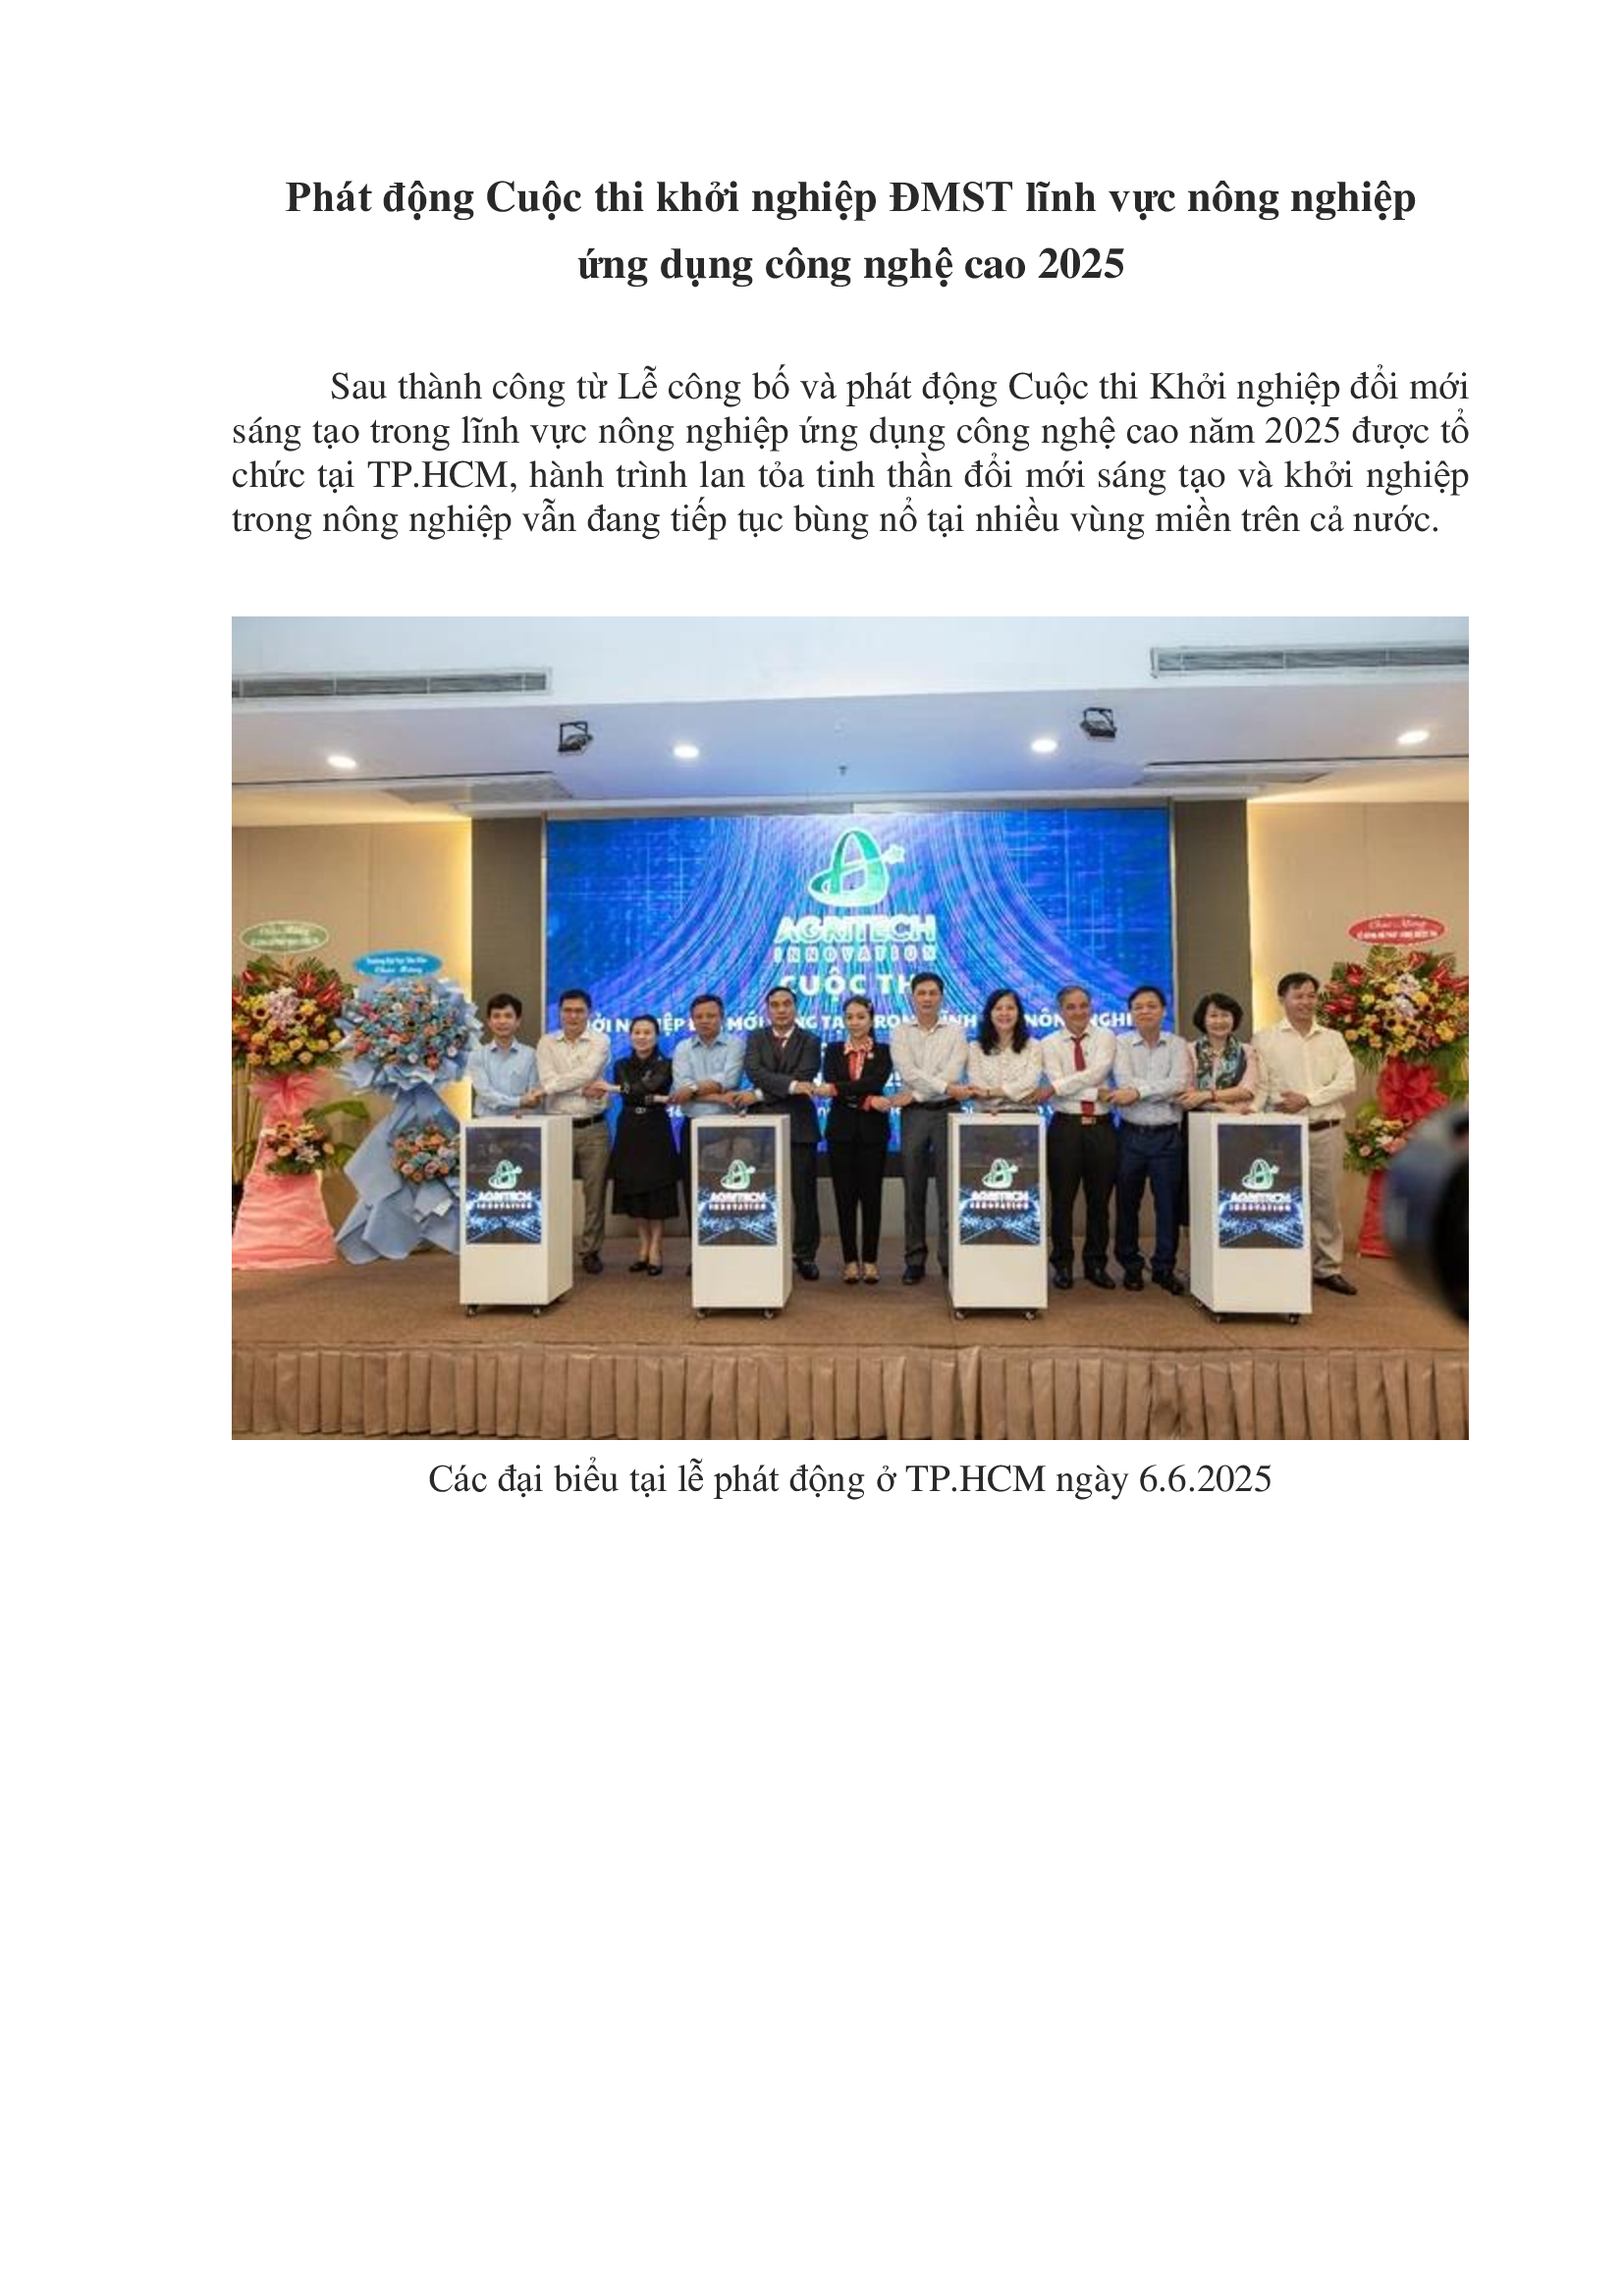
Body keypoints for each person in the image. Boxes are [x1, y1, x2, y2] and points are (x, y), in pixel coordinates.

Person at [1255, 970, 1360, 1294]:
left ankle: (1328, 1268)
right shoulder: (1264, 1039)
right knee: (1281, 1201)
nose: (1306, 1002)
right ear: (1282, 999)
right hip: (1281, 1132)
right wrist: (1270, 1105)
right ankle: (1284, 1266)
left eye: (1311, 995)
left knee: (1326, 1202)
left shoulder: (1333, 1038)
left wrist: (1308, 1099)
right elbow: (1262, 1084)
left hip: (1324, 1130)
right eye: (1298, 995)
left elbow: (1347, 1082)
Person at [1105, 984, 1195, 1293]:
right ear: (1130, 1012)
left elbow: (1179, 1083)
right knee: (1127, 1204)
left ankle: (1164, 1267)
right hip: (1130, 1136)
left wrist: (1139, 1091)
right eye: (1138, 1007)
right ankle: (1130, 1265)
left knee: (1167, 1207)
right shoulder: (1121, 1043)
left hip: (1167, 1138)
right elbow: (1123, 1082)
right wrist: (1154, 1090)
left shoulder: (1178, 1044)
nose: (1145, 1011)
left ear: (1163, 1011)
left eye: (1151, 1006)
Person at [890, 972, 968, 1286]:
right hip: (914, 1116)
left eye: (933, 993)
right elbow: (908, 1072)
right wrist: (939, 1088)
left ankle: (949, 1259)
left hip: (948, 1113)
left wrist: (920, 1093)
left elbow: (954, 1073)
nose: (927, 998)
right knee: (914, 1189)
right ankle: (915, 1259)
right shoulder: (900, 1032)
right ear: (912, 997)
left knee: (950, 1190)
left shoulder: (956, 1031)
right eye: (921, 993)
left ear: (941, 997)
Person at [741, 985, 824, 1278]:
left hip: (800, 1128)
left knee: (804, 1196)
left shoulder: (811, 1040)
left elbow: (805, 1077)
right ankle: (764, 1250)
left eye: (786, 1004)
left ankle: (805, 1255)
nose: (781, 1009)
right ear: (767, 1009)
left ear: (795, 1007)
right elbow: (754, 1072)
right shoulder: (755, 1037)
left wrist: (759, 1094)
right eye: (775, 1005)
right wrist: (789, 1086)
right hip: (762, 1127)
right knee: (762, 1193)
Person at [1041, 984, 1118, 1289]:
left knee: (1099, 1201)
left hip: (1101, 1127)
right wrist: (1095, 1093)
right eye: (1071, 1007)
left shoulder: (1106, 1036)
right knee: (1062, 1201)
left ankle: (1095, 1264)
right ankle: (1062, 1264)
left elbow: (1097, 1072)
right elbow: (1059, 1084)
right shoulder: (1048, 1043)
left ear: (1091, 1007)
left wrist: (1059, 1088)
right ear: (1060, 1011)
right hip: (1066, 1128)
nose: (1078, 1012)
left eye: (1083, 1005)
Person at [817, 993, 893, 1283]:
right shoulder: (833, 1050)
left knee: (871, 1197)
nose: (855, 1022)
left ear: (871, 1019)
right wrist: (867, 1100)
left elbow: (874, 1082)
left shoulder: (884, 1051)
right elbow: (838, 1083)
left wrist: (839, 1090)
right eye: (849, 1017)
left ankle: (870, 1261)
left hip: (873, 1133)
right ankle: (850, 1261)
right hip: (841, 1132)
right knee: (845, 1197)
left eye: (861, 1016)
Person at [536, 986, 612, 1273]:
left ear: (589, 1013)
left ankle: (590, 1251)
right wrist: (579, 1089)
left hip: (593, 1128)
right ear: (559, 1013)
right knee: (552, 1192)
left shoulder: (600, 1040)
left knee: (594, 1194)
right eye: (567, 1010)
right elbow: (548, 1078)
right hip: (556, 1127)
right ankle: (554, 1249)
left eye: (579, 1011)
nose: (573, 1016)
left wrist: (550, 1088)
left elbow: (587, 1073)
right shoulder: (546, 1043)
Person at [607, 1015, 681, 1274]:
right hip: (629, 1128)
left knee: (656, 1188)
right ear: (630, 1036)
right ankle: (643, 1246)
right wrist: (651, 1097)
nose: (641, 1037)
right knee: (633, 1187)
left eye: (647, 1032)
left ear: (656, 1036)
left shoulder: (666, 1063)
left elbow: (646, 1087)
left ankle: (656, 1248)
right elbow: (637, 1093)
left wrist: (619, 1089)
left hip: (656, 1129)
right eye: (637, 1032)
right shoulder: (621, 1064)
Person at [669, 991, 745, 1215]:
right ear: (692, 1020)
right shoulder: (683, 1047)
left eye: (711, 1016)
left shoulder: (735, 1044)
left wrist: (693, 1089)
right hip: (692, 1125)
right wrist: (720, 1096)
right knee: (693, 1189)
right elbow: (680, 1087)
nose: (704, 1021)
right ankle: (694, 1237)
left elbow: (730, 1080)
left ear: (722, 1017)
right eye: (699, 1016)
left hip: (727, 1127)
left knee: (725, 1189)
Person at [960, 988, 1049, 1106]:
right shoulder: (975, 1047)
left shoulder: (1034, 1046)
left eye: (1010, 1008)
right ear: (989, 1014)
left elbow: (1029, 1084)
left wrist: (988, 1093)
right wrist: (1011, 1098)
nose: (1004, 1013)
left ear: (1019, 1013)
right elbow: (977, 1085)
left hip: (1024, 1114)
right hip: (985, 1114)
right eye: (998, 1008)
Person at [467, 991, 541, 1118]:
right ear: (489, 1022)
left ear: (518, 1021)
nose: (502, 1021)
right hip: (485, 1125)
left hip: (522, 1123)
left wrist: (528, 1104)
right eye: (496, 1016)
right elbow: (486, 1095)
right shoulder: (476, 1056)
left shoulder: (531, 1055)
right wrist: (519, 1101)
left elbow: (533, 1096)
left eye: (508, 1016)